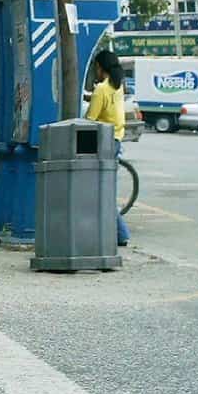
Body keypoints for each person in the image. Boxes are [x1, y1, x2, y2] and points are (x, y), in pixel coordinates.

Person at [85, 49, 130, 247]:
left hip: (103, 143)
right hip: (116, 139)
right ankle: (117, 233)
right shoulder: (118, 86)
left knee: (100, 189)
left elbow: (90, 120)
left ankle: (121, 233)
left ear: (100, 67)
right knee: (105, 188)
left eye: (95, 67)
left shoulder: (101, 89)